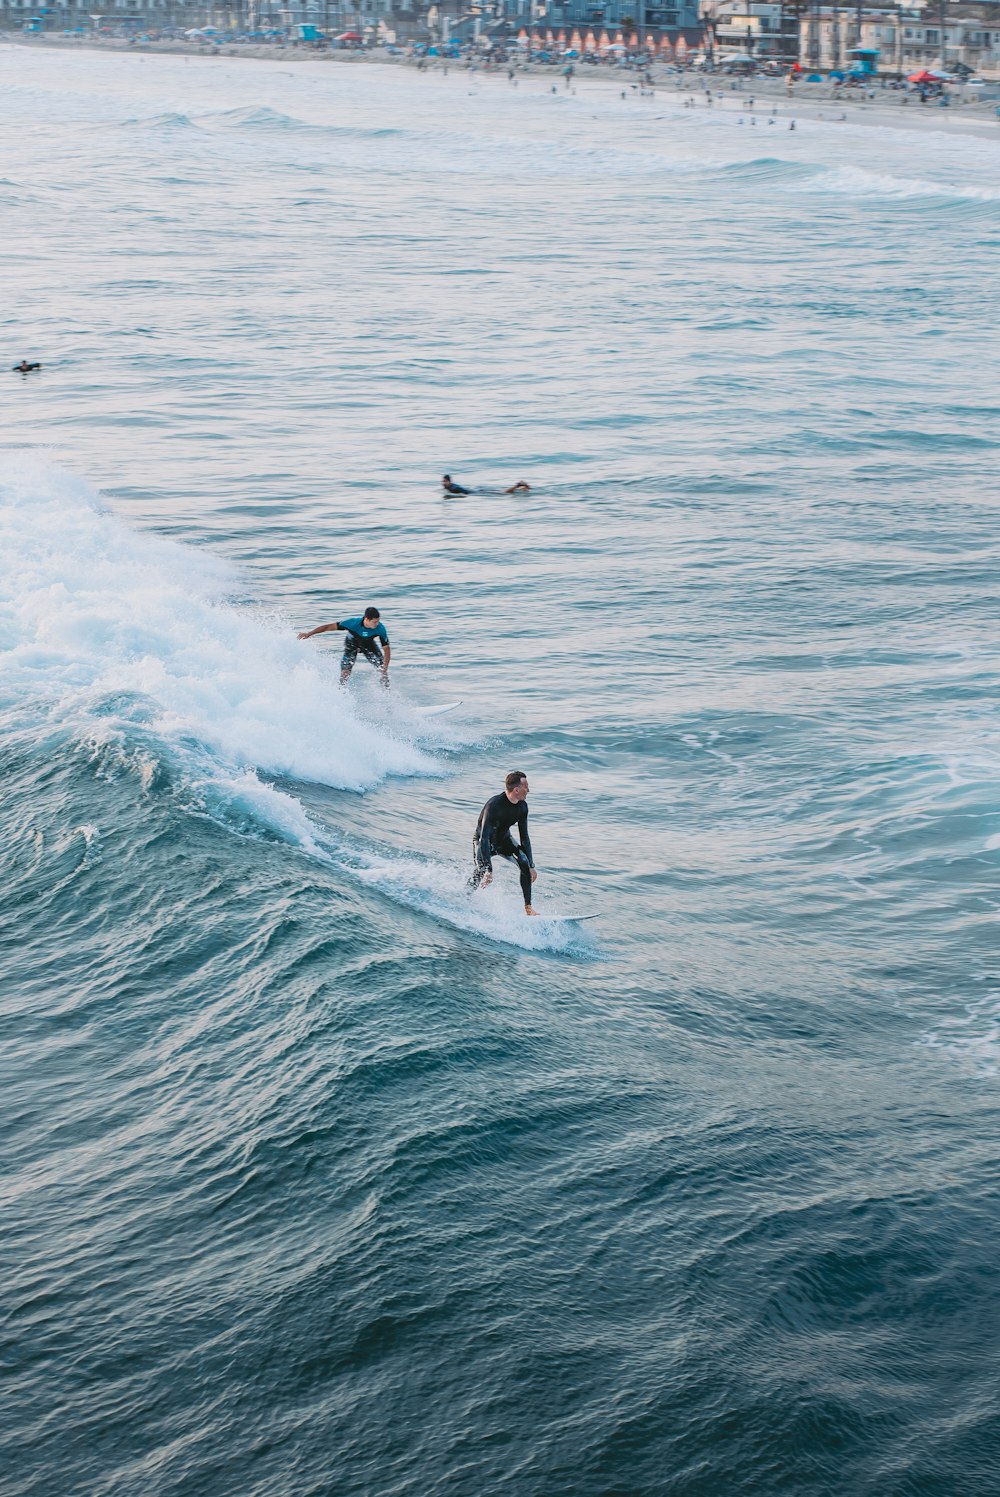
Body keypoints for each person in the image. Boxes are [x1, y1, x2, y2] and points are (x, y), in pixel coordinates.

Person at [468, 770, 538, 915]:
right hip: (483, 842)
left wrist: (531, 864)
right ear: (517, 789)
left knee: (524, 863)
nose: (529, 790)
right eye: (526, 787)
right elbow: (484, 838)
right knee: (481, 871)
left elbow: (524, 836)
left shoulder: (522, 807)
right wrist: (489, 869)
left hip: (504, 840)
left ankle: (528, 909)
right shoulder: (494, 806)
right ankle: (465, 897)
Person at [298, 607, 391, 688]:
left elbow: (386, 649)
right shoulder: (352, 623)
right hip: (352, 644)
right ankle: (340, 692)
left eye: (378, 621)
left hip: (369, 645)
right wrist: (308, 634)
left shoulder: (380, 628)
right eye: (375, 622)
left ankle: (387, 693)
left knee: (382, 669)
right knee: (345, 672)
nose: (377, 624)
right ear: (366, 619)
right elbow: (327, 627)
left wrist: (385, 666)